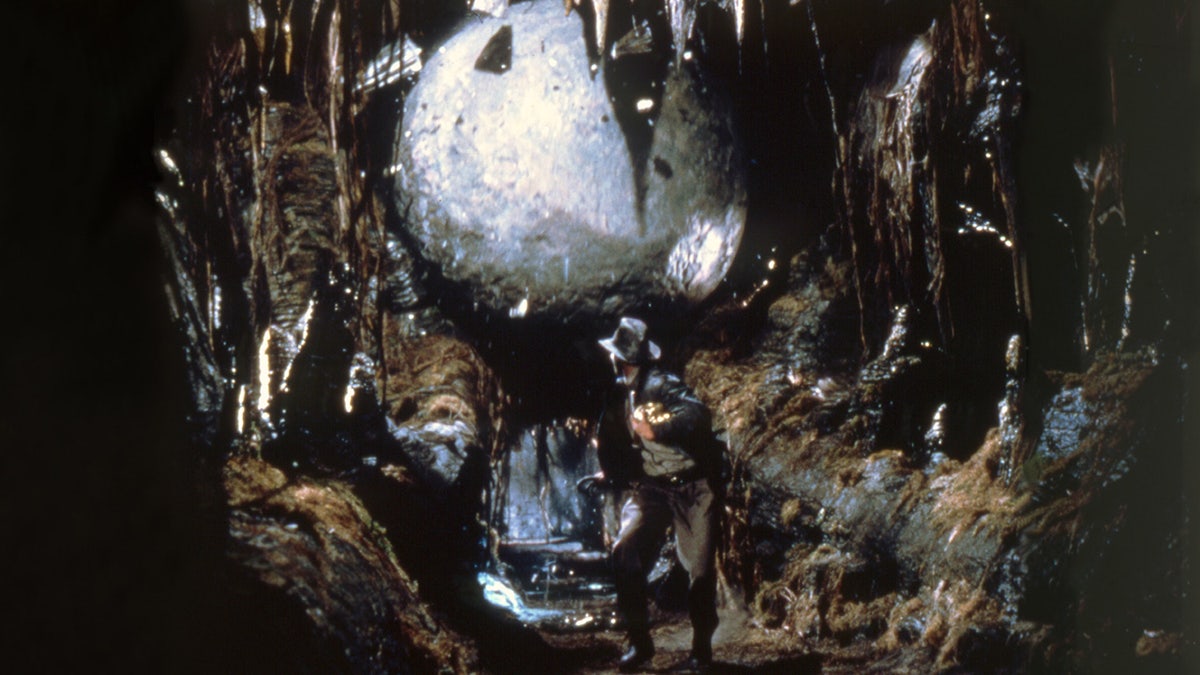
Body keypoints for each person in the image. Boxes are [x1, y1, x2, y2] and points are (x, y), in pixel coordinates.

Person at [581, 316, 724, 672]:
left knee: (701, 572)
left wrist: (657, 429)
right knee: (625, 551)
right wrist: (609, 475)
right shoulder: (618, 395)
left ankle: (701, 652)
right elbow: (618, 445)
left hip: (694, 488)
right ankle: (640, 643)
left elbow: (697, 416)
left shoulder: (663, 384)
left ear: (621, 358)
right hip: (654, 489)